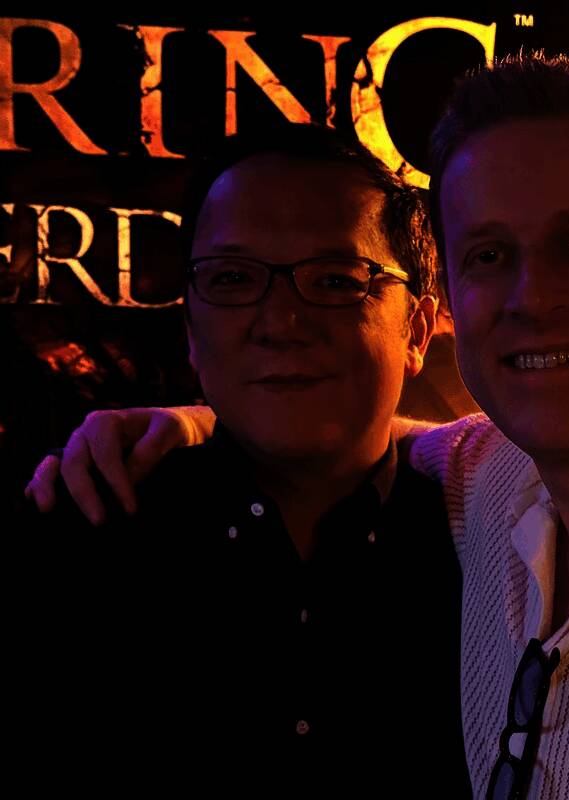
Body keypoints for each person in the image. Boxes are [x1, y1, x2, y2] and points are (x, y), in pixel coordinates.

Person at [27, 53, 569, 799]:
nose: (534, 297)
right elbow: (343, 430)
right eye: (489, 254)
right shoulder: (487, 476)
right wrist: (199, 420)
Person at [17, 124, 471, 797]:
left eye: (337, 280)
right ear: (190, 330)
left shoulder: (495, 547)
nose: (281, 321)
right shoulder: (75, 536)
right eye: (232, 278)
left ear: (418, 329)